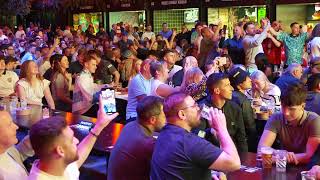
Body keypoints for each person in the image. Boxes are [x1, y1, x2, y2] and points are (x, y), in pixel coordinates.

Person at [150, 92, 241, 179]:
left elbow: (182, 165)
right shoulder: (189, 142)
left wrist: (210, 172)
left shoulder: (164, 134)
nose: (199, 109)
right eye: (194, 106)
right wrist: (222, 129)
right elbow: (234, 163)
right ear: (182, 114)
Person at [28, 96, 119, 179]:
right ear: (60, 151)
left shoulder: (57, 165)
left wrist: (99, 126)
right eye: (72, 140)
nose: (77, 141)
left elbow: (76, 162)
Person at [258, 83, 320, 165]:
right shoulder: (276, 118)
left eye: (292, 109)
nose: (286, 113)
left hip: (307, 169)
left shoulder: (314, 120)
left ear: (303, 106)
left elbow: (310, 156)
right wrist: (280, 153)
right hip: (282, 166)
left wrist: (281, 158)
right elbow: (261, 148)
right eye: (283, 107)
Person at [108, 96, 165, 180]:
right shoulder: (146, 143)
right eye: (164, 116)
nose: (166, 119)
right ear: (152, 120)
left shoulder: (129, 126)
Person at [198, 73, 248, 152]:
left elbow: (241, 138)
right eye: (227, 85)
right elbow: (198, 134)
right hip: (210, 154)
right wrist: (210, 131)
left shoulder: (235, 108)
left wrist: (243, 158)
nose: (232, 88)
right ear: (217, 90)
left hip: (232, 153)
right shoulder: (202, 109)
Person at [229, 67, 257, 152]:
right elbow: (250, 125)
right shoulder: (243, 101)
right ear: (239, 84)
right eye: (246, 78)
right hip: (244, 141)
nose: (250, 80)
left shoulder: (230, 96)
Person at [0, 111, 34, 180]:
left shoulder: (6, 148)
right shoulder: (3, 174)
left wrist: (34, 137)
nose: (16, 127)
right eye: (9, 125)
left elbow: (17, 155)